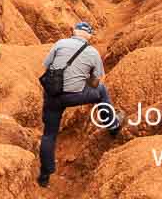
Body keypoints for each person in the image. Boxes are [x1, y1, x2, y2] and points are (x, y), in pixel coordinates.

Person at [37, 21, 118, 187]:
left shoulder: (60, 44)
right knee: (101, 91)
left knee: (49, 135)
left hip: (52, 95)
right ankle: (112, 124)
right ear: (89, 36)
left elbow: (47, 67)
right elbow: (95, 83)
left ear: (73, 32)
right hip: (76, 95)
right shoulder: (93, 53)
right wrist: (82, 78)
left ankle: (44, 176)